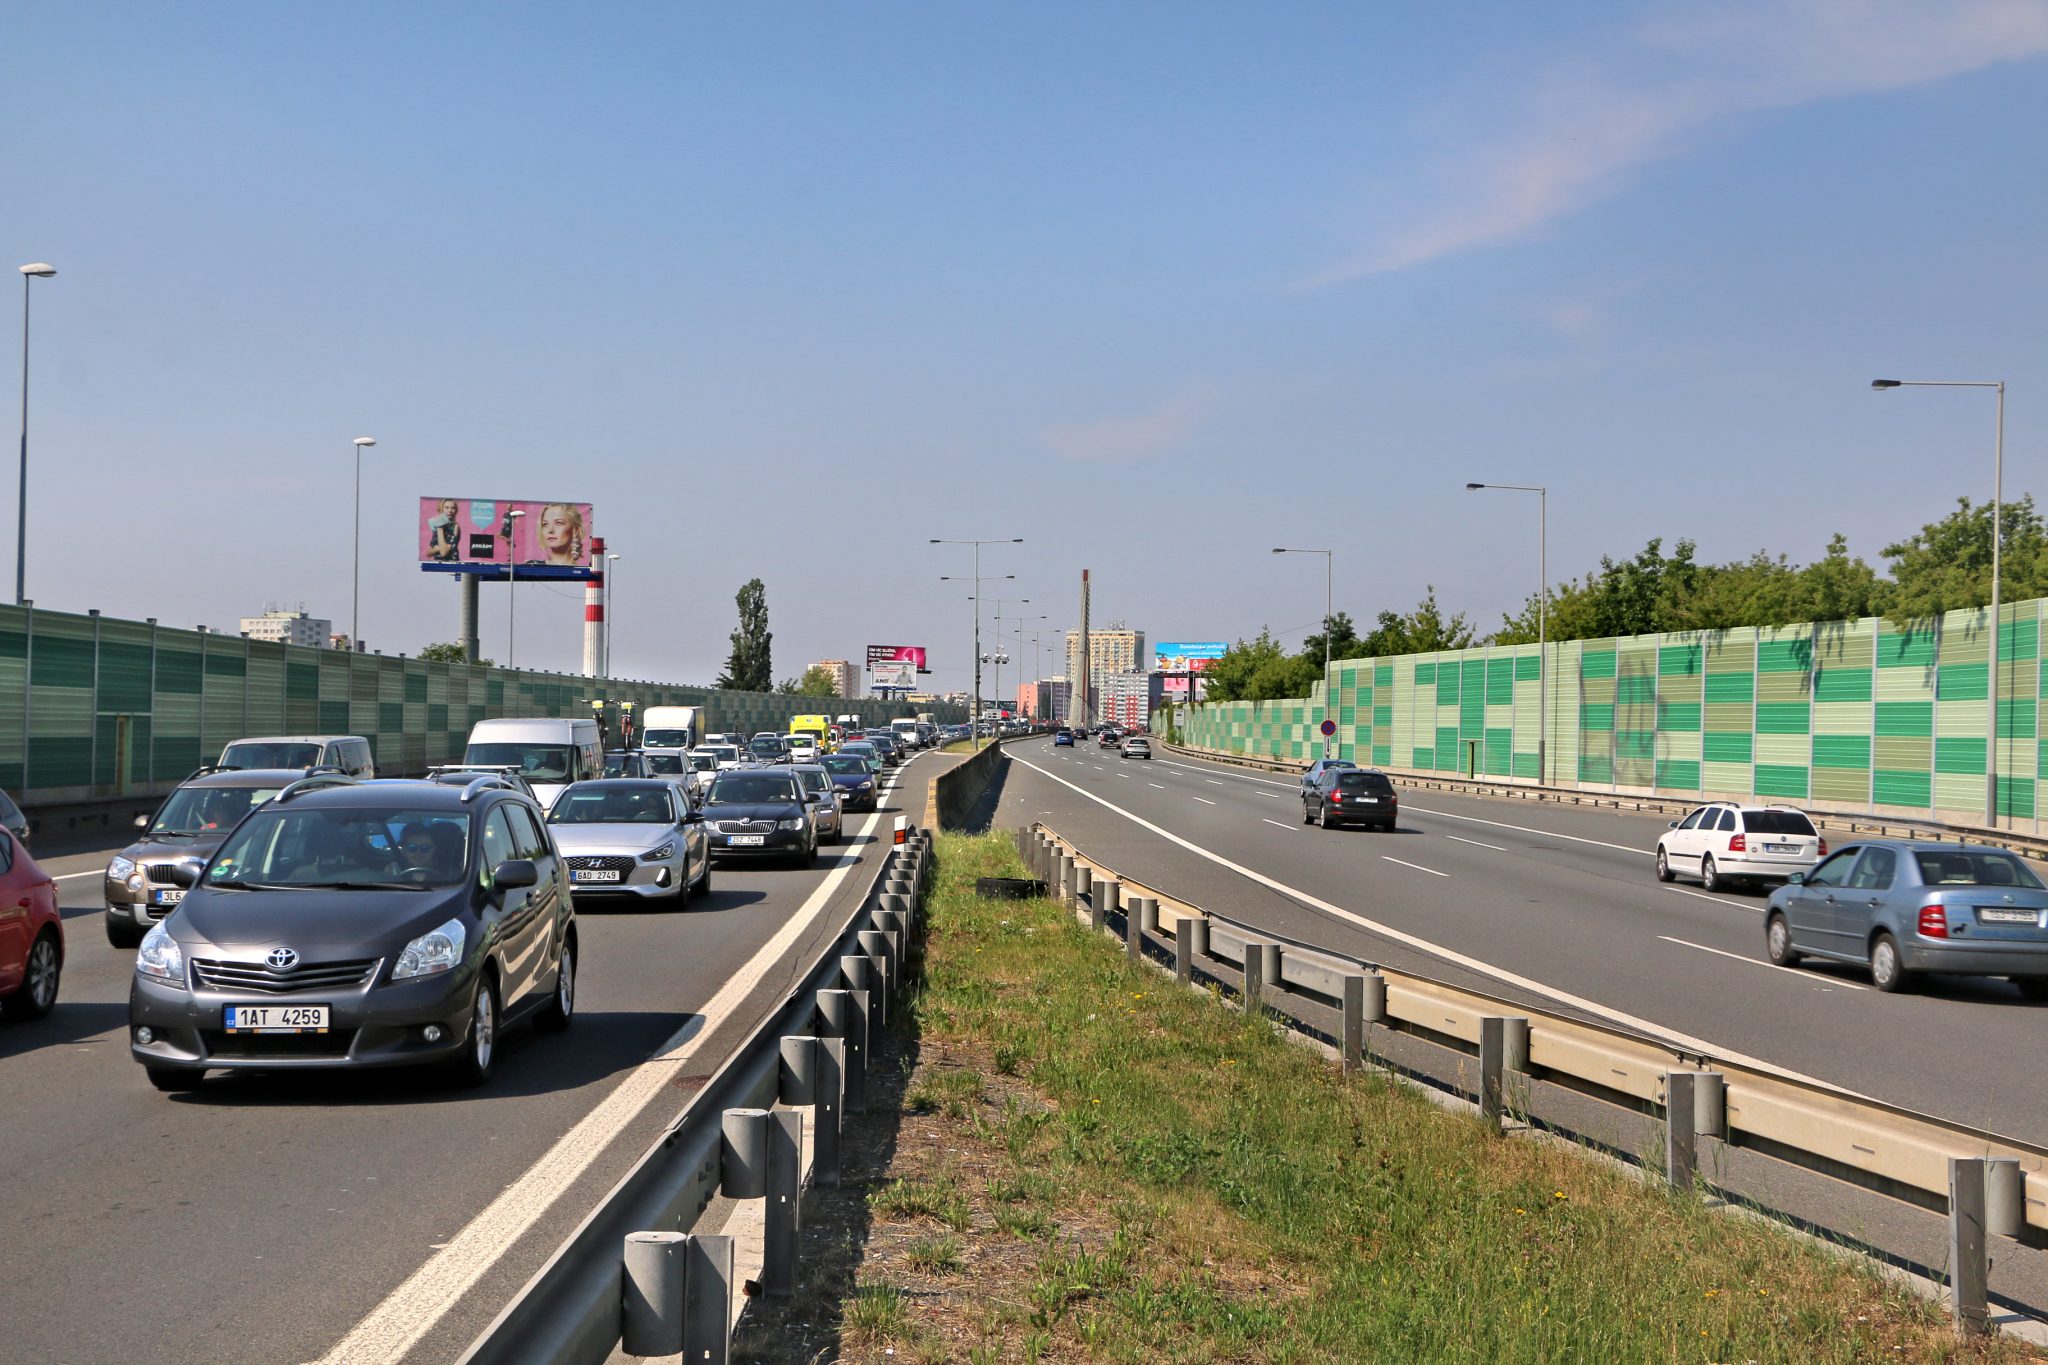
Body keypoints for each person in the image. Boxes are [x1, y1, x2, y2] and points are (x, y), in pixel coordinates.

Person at [529, 502, 585, 567]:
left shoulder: (582, 571)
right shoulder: (532, 567)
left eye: (558, 523)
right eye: (545, 524)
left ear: (575, 530)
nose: (550, 530)